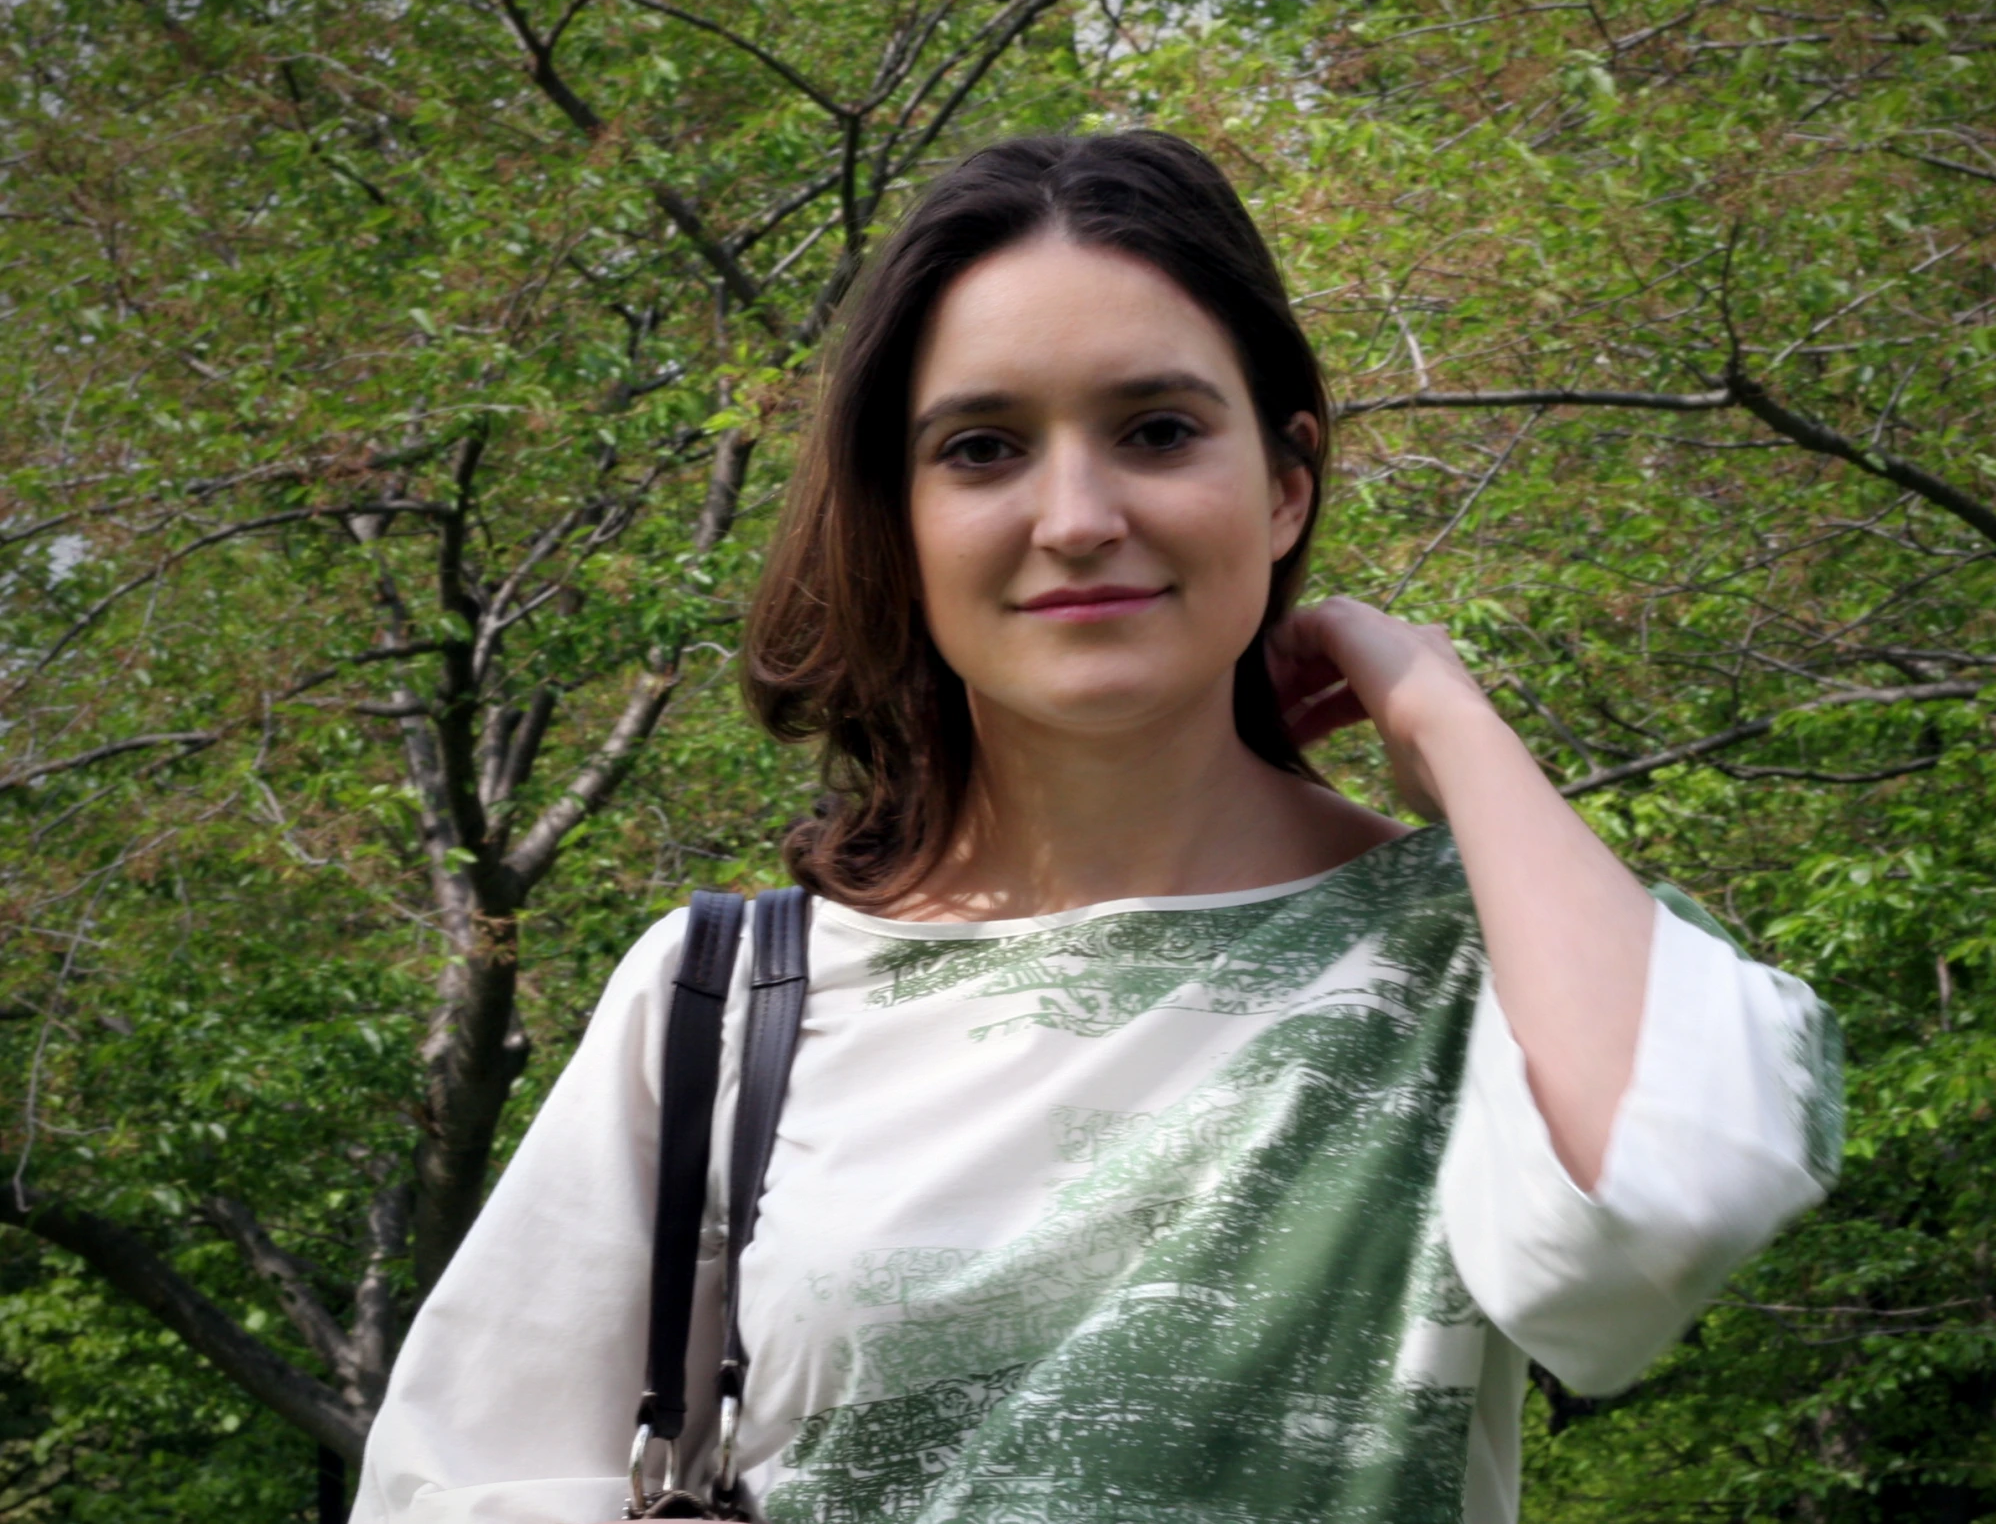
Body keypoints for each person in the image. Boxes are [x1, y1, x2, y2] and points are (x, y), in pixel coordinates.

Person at [351, 131, 1842, 1524]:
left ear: (1282, 483)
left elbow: (1673, 1190)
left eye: (1155, 428)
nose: (1074, 514)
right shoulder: (725, 996)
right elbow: (459, 1480)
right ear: (902, 518)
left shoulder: (1471, 953)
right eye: (982, 448)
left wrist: (1441, 715)